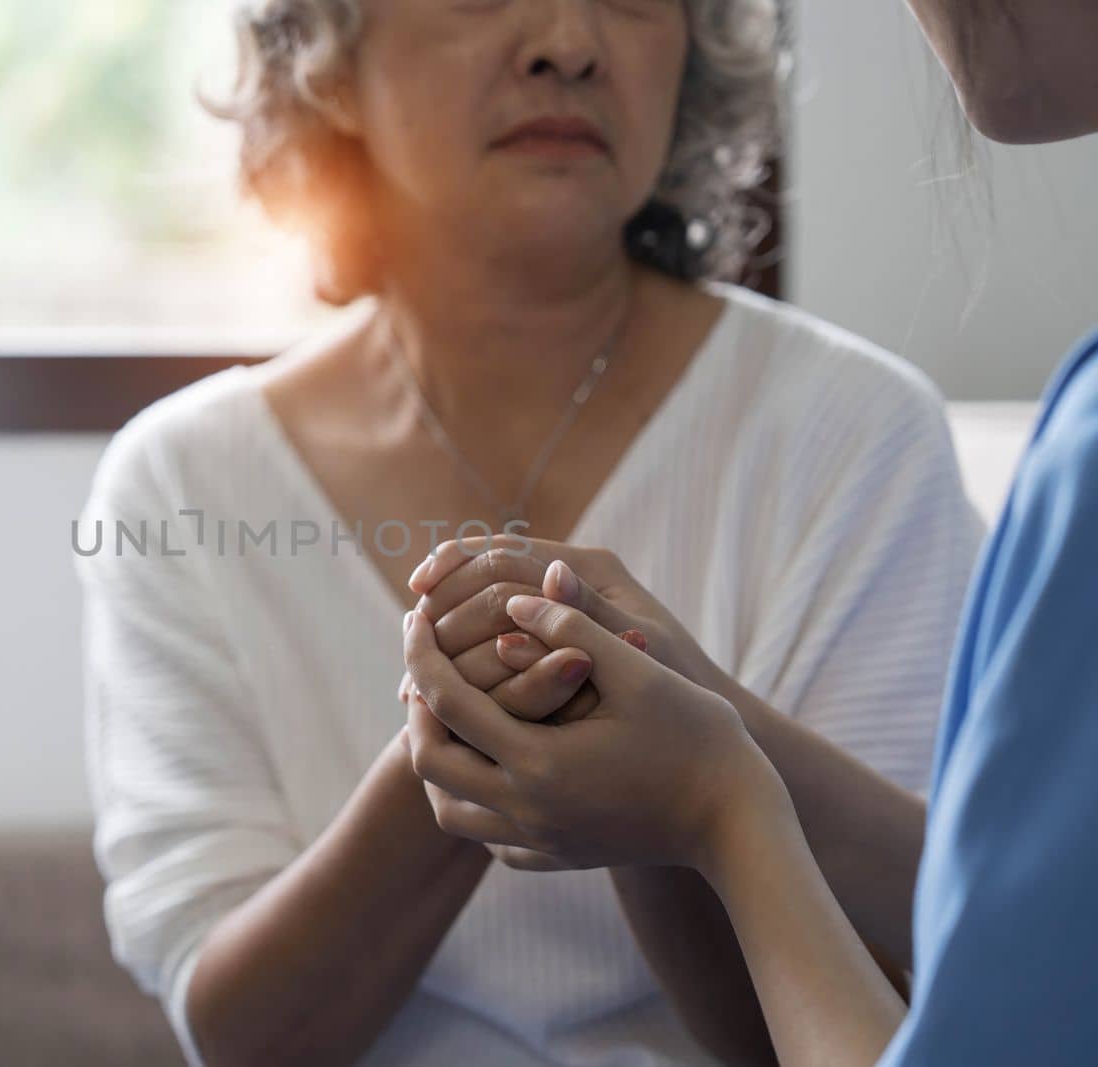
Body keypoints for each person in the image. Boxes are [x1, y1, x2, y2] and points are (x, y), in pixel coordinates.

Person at [73, 0, 984, 1064]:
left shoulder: (854, 434)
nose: (568, 40)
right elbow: (241, 1035)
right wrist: (487, 730)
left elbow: (913, 1003)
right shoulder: (182, 484)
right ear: (327, 53)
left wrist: (680, 751)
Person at [399, 1, 1098, 1064]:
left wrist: (715, 802)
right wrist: (700, 741)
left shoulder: (934, 435)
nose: (563, 42)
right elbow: (1036, 928)